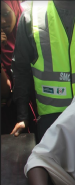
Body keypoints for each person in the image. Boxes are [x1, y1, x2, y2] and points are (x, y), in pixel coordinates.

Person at [10, 0, 75, 142]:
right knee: (54, 163)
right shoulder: (32, 16)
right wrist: (23, 116)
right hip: (51, 118)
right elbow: (21, 69)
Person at [1, 0, 37, 135]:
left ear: (15, 9)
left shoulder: (33, 30)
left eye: (5, 14)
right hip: (10, 117)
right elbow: (5, 90)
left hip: (37, 107)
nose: (2, 21)